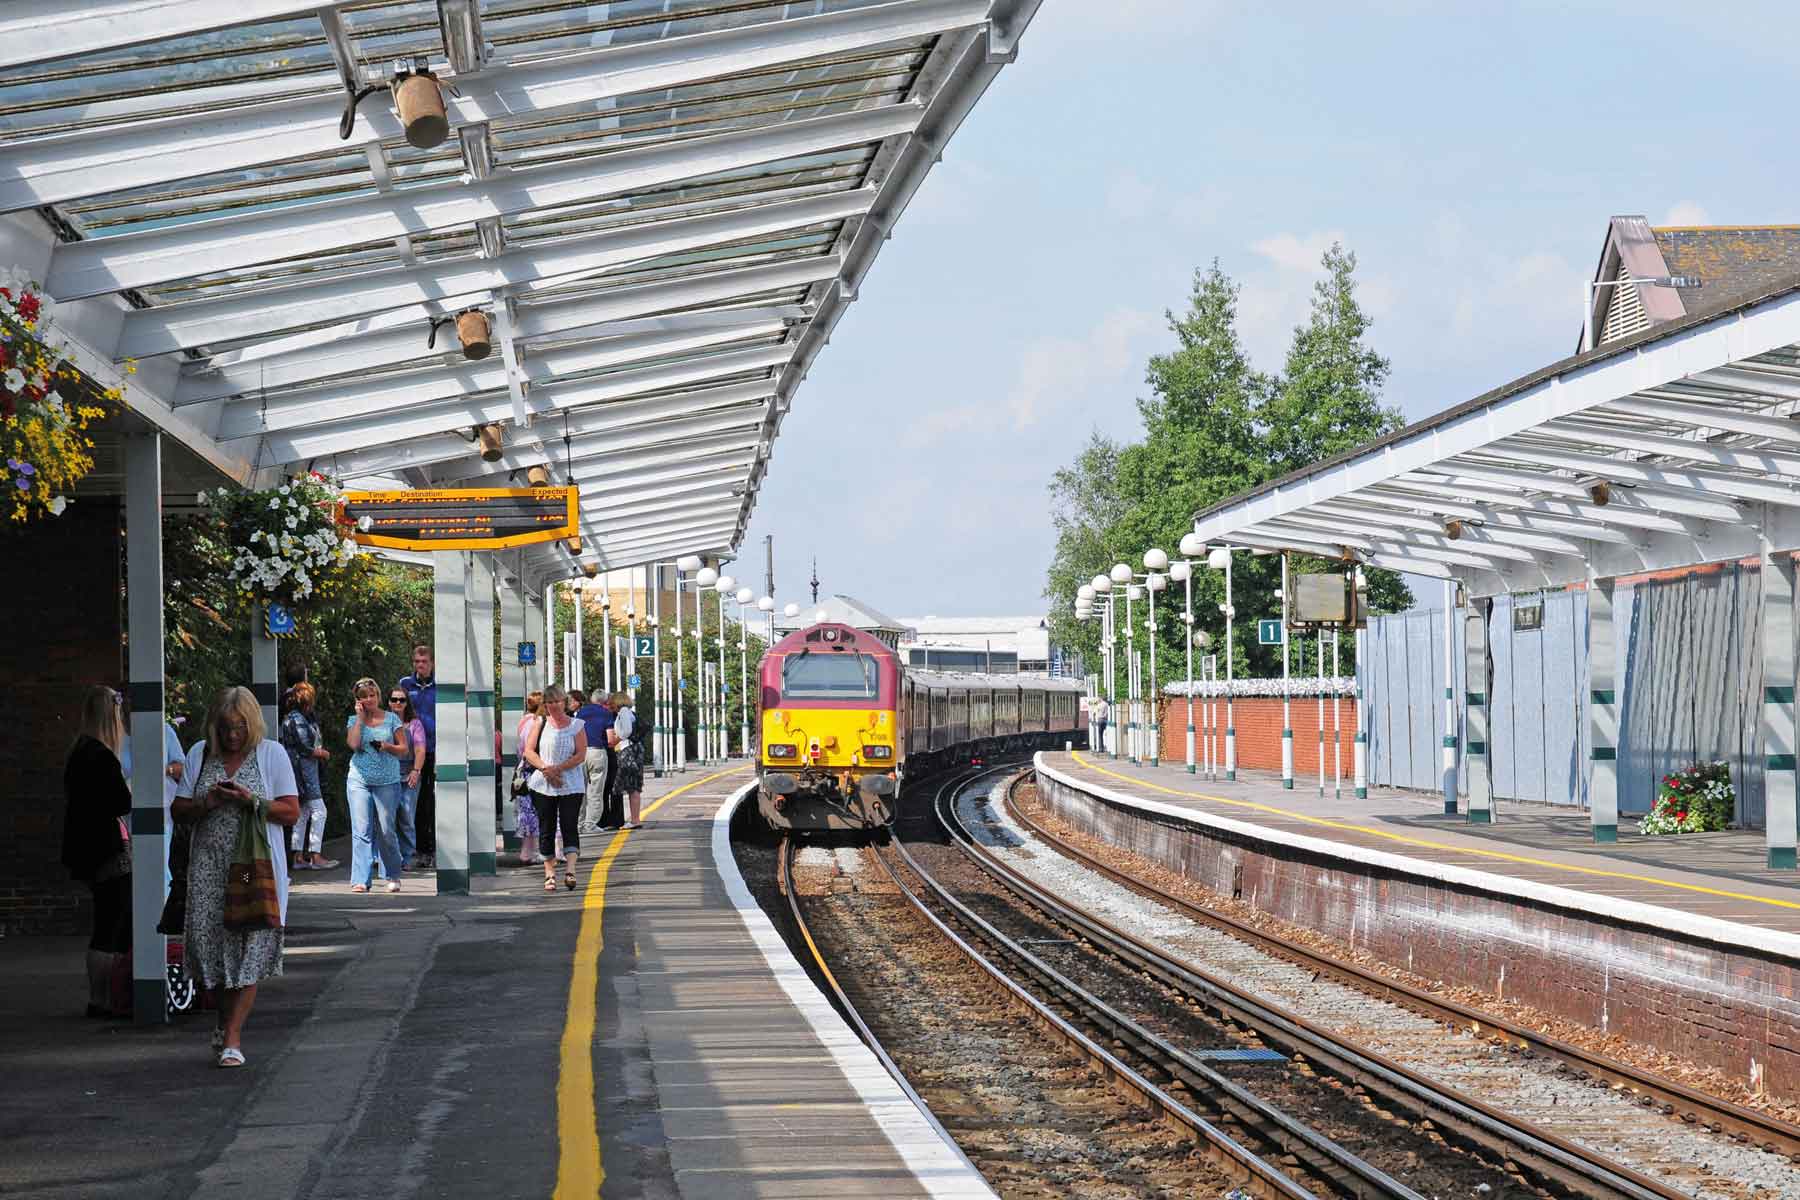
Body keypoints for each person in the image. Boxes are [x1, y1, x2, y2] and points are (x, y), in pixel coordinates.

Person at [172, 686, 300, 1067]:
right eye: (225, 728)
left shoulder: (270, 754)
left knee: (249, 944)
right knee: (213, 946)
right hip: (209, 868)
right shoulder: (199, 753)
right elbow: (178, 810)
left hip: (253, 869)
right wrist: (205, 802)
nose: (231, 737)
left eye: (239, 728)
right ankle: (223, 1020)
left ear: (252, 725)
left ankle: (233, 1037)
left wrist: (252, 801)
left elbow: (291, 811)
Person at [61, 685, 134, 1018]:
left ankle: (101, 996)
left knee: (107, 919)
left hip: (85, 847)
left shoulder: (78, 752)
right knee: (111, 922)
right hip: (106, 846)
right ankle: (102, 998)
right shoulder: (103, 756)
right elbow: (121, 801)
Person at [345, 677, 409, 894]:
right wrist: (360, 719)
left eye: (372, 695)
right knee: (361, 830)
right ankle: (360, 879)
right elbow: (353, 744)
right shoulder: (354, 720)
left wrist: (387, 746)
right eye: (364, 697)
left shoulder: (392, 719)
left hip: (387, 782)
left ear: (378, 696)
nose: (369, 700)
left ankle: (392, 874)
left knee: (386, 830)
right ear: (358, 700)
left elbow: (404, 749)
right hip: (359, 780)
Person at [522, 684, 587, 893]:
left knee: (569, 825)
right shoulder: (540, 723)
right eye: (549, 702)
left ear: (564, 702)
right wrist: (546, 770)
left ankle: (570, 870)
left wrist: (558, 769)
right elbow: (529, 752)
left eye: (557, 701)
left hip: (571, 783)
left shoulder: (577, 725)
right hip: (543, 784)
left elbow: (580, 754)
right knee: (546, 827)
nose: (554, 706)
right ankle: (549, 873)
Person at [279, 682, 336, 871]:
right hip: (305, 770)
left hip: (297, 770)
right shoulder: (299, 719)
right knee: (320, 811)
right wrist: (322, 753)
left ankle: (297, 857)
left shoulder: (294, 718)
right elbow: (305, 748)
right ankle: (315, 855)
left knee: (302, 812)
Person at [398, 645, 436, 868]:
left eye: (423, 661)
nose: (419, 665)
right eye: (416, 661)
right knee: (404, 802)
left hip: (430, 750)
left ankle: (426, 849)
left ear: (431, 663)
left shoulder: (439, 687)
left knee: (426, 801)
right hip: (407, 751)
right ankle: (407, 850)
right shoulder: (405, 685)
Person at [390, 689, 427, 869]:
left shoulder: (414, 725)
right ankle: (384, 856)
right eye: (394, 699)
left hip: (408, 775)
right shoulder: (382, 722)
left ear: (407, 703)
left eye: (401, 700)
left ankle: (407, 856)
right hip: (387, 776)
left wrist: (416, 770)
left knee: (406, 816)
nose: (397, 703)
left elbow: (420, 749)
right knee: (385, 817)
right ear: (388, 702)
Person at [574, 690, 614, 833]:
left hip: (581, 752)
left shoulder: (581, 712)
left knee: (580, 789)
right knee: (596, 790)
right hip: (597, 753)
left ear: (591, 699)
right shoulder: (606, 714)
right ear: (604, 701)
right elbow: (610, 740)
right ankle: (590, 824)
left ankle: (578, 824)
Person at [514, 691, 544, 864]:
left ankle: (526, 851)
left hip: (523, 770)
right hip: (537, 769)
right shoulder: (538, 722)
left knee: (526, 810)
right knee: (543, 809)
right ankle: (550, 849)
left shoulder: (523, 721)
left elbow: (520, 748)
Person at [610, 692, 645, 830]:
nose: (610, 704)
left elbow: (626, 731)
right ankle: (635, 819)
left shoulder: (624, 712)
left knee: (632, 786)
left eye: (612, 701)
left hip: (629, 750)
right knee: (633, 786)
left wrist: (616, 740)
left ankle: (635, 819)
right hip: (634, 750)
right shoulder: (628, 712)